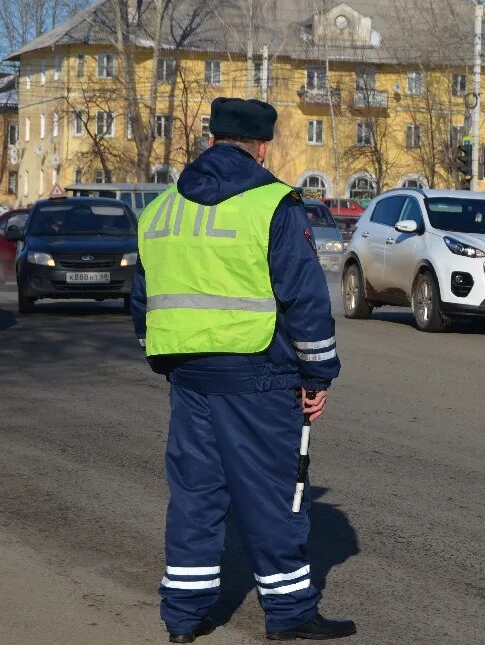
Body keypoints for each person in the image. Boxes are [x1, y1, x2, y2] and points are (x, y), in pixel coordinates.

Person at [131, 97, 355, 642]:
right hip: (259, 377)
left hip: (189, 377)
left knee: (195, 496)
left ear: (211, 139)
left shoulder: (162, 208)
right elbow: (304, 300)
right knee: (272, 496)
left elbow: (143, 298)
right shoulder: (274, 204)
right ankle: (290, 613)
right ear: (261, 145)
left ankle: (183, 619)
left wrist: (168, 356)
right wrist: (318, 375)